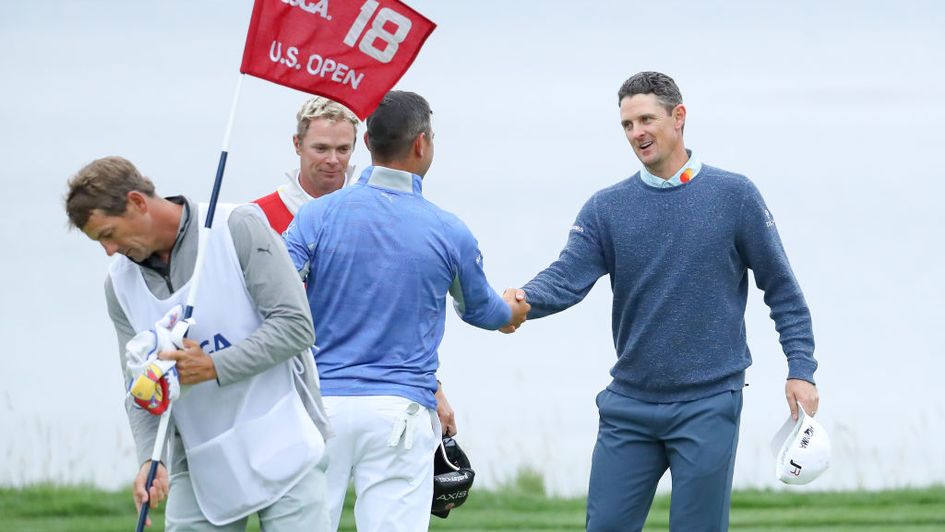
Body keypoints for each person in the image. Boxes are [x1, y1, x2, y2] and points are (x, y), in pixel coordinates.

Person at [506, 71, 819, 531]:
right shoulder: (605, 208)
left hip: (709, 400)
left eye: (646, 119)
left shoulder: (735, 196)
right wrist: (520, 302)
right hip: (628, 405)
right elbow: (566, 278)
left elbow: (782, 289)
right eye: (627, 125)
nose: (637, 133)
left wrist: (801, 369)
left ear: (679, 117)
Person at [283, 90, 530, 531]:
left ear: (367, 145)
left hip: (321, 407)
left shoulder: (315, 216)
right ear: (421, 144)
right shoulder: (448, 229)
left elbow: (276, 289)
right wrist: (511, 310)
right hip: (400, 412)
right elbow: (481, 312)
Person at [65, 156, 333, 531]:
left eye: (109, 234)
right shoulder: (119, 284)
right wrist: (149, 457)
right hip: (200, 459)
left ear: (137, 203)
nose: (109, 251)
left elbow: (296, 326)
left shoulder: (236, 226)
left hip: (283, 435)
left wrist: (214, 367)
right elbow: (139, 385)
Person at [254, 95, 461, 438]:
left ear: (359, 146)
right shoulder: (257, 218)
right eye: (321, 148)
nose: (333, 161)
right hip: (278, 385)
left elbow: (397, 317)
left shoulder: (380, 215)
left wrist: (433, 387)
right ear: (297, 145)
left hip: (361, 393)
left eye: (343, 149)